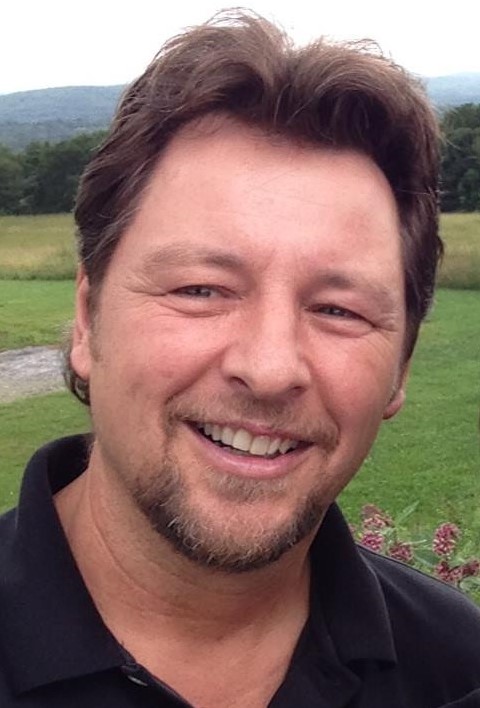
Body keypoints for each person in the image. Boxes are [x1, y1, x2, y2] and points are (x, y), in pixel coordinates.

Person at [1, 10, 479, 708]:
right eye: (201, 290)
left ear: (400, 367)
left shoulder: (460, 670)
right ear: (86, 318)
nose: (269, 367)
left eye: (338, 310)